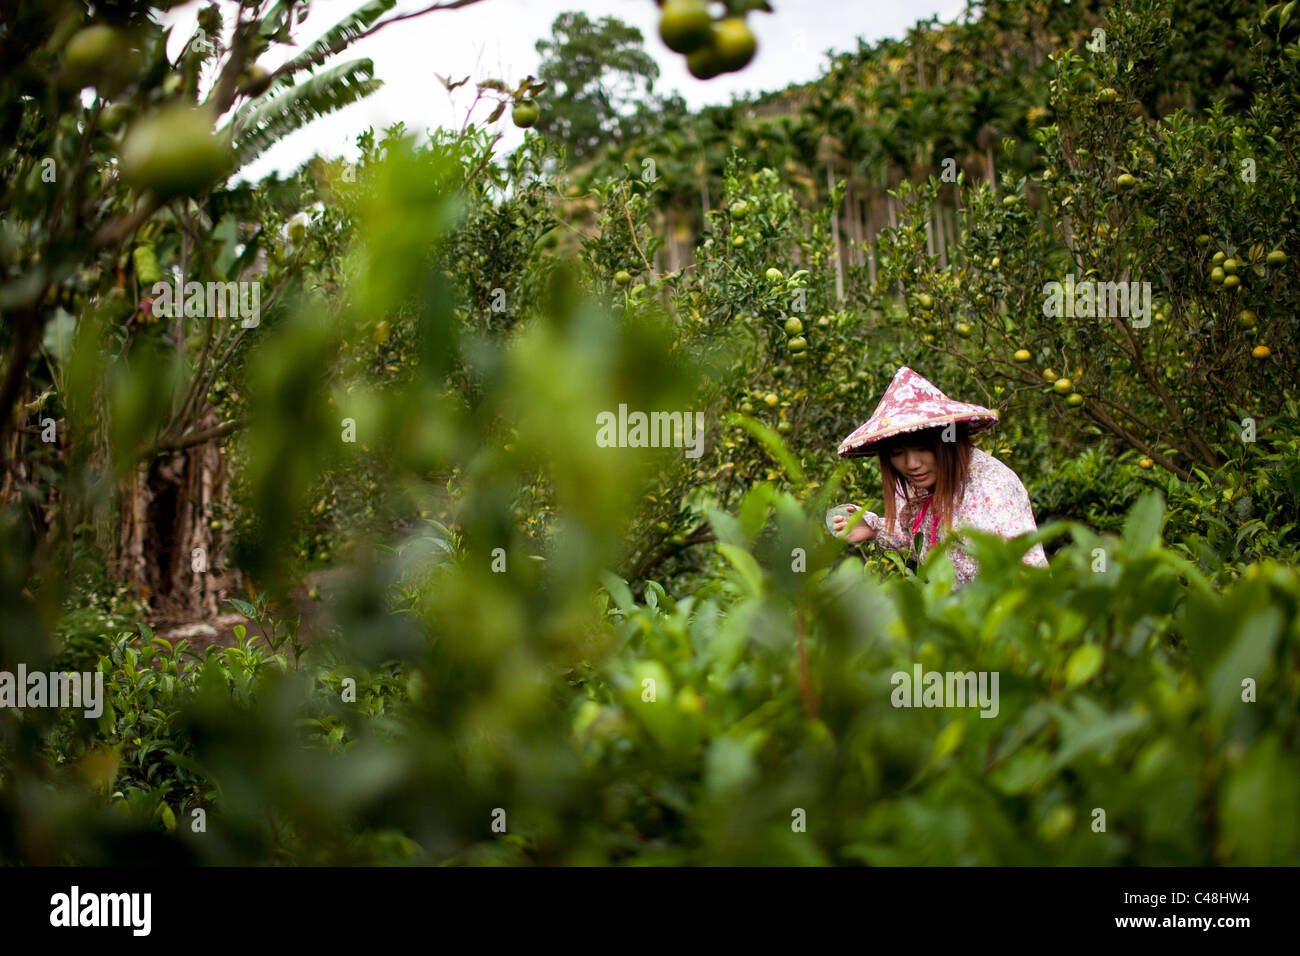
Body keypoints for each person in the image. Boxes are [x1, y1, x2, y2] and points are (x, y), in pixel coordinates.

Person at [830, 366, 1048, 587]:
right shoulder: (922, 486)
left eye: (923, 448)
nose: (912, 464)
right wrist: (875, 528)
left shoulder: (989, 488)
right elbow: (923, 539)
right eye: (897, 453)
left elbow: (1026, 577)